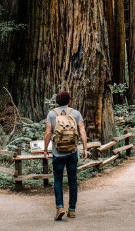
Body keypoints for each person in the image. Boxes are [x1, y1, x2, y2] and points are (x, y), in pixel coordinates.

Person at [44, 90, 89, 220]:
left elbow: (48, 133)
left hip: (58, 153)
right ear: (69, 100)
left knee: (58, 180)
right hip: (72, 152)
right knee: (72, 181)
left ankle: (59, 206)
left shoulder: (52, 114)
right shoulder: (76, 113)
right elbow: (82, 131)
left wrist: (45, 149)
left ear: (57, 100)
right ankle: (72, 210)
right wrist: (85, 148)